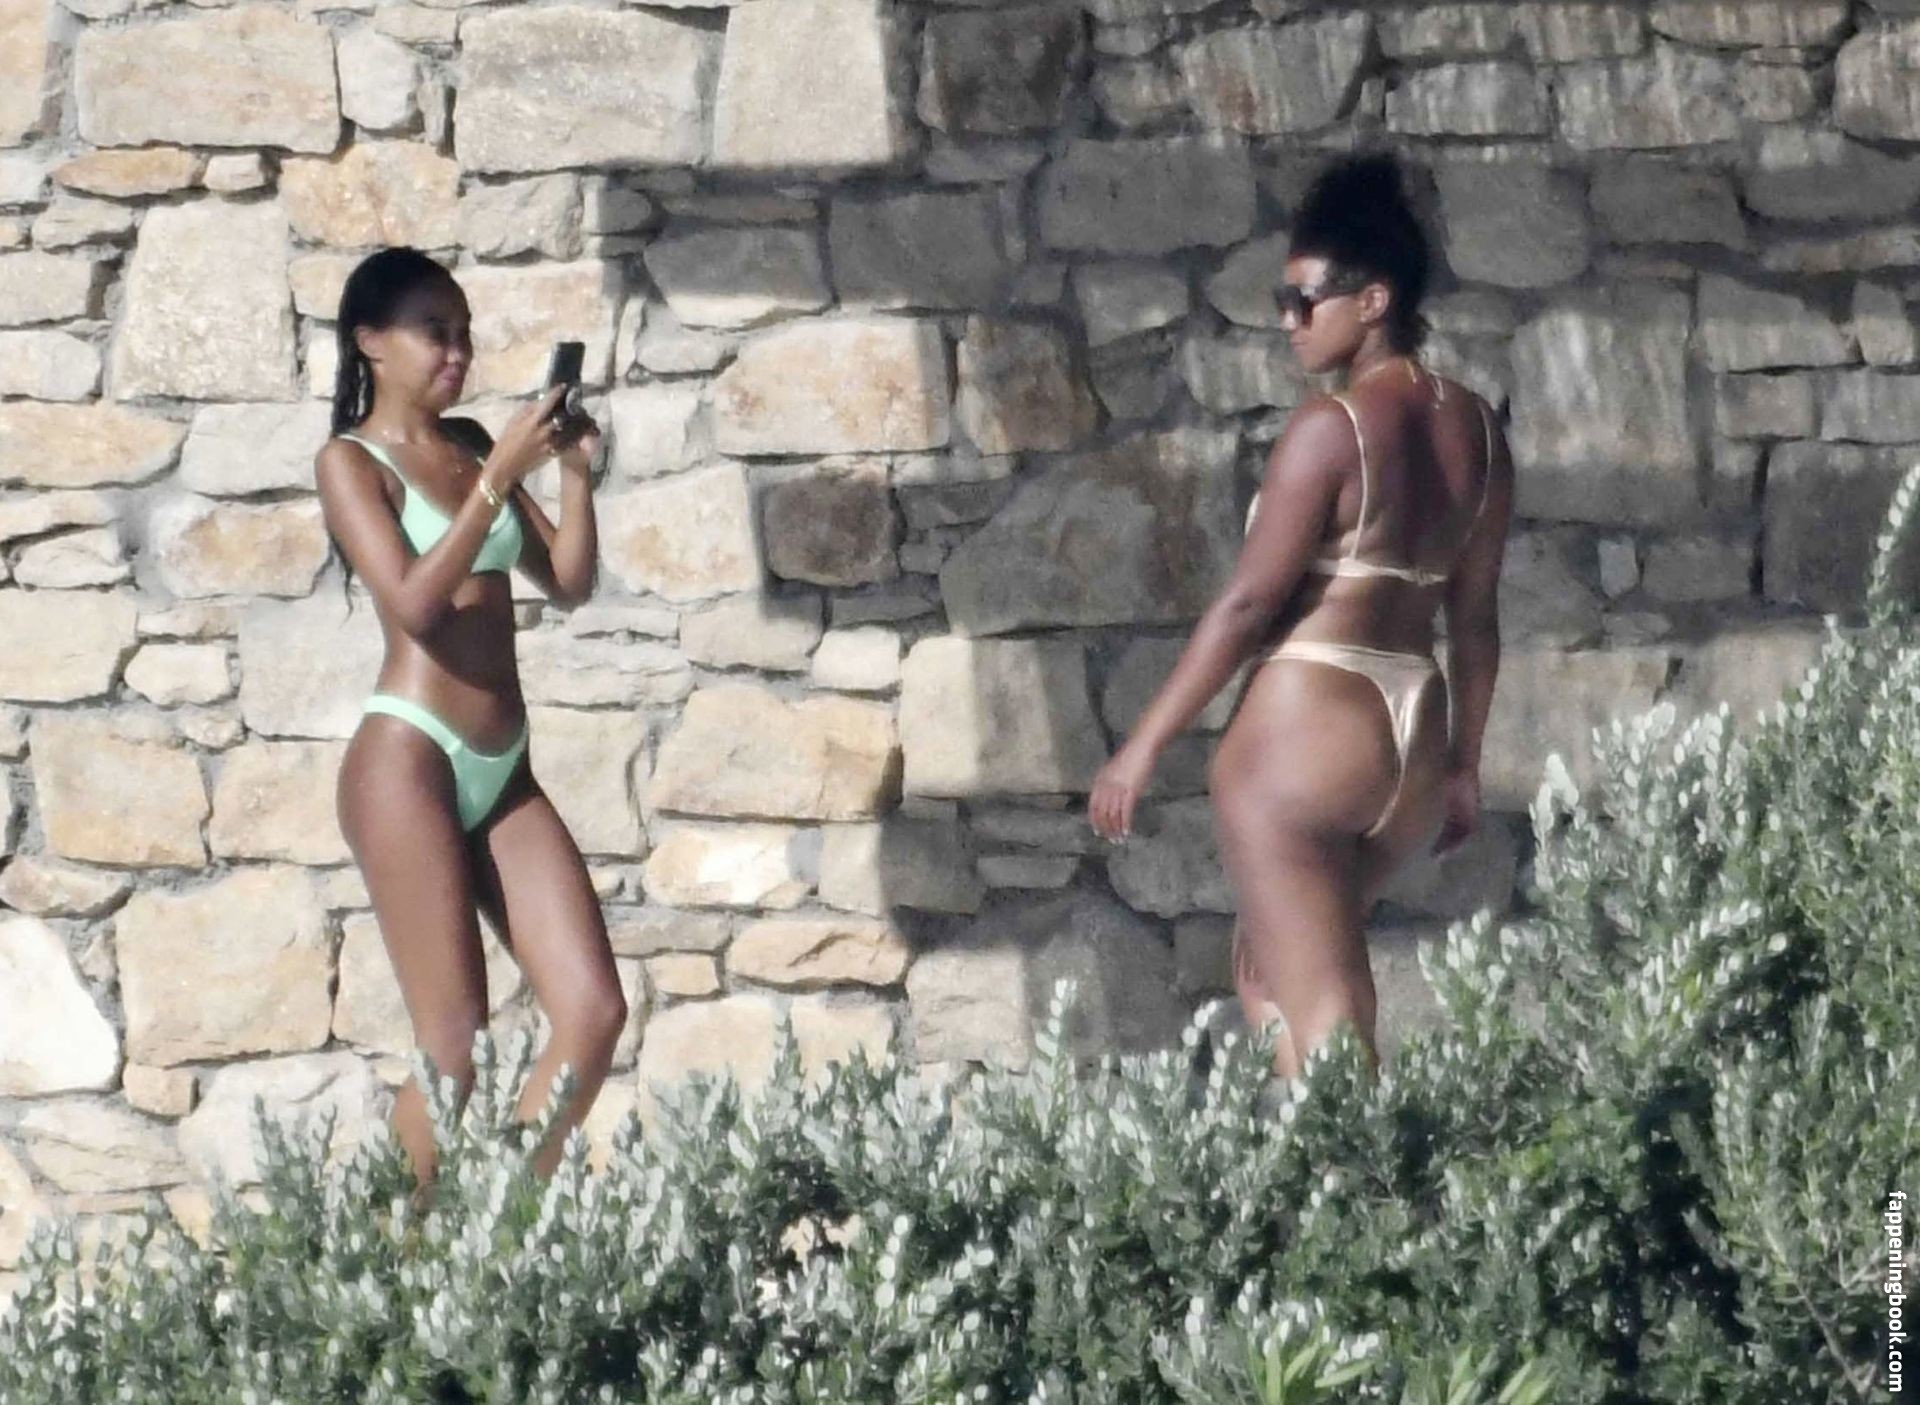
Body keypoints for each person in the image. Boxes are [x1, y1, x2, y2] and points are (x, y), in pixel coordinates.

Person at [1088, 156, 1513, 1079]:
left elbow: (1248, 604)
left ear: (1374, 301)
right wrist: (1464, 766)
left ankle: (1373, 1172)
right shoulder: (1480, 430)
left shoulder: (1333, 427)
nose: (1286, 320)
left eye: (1303, 301)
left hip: (1307, 735)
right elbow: (1476, 621)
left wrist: (1142, 747)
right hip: (1413, 740)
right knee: (1272, 973)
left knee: (1326, 1018)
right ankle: (1322, 1167)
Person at [315, 247, 624, 1180]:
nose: (458, 351)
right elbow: (414, 601)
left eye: (464, 333)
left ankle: (499, 1232)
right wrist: (498, 480)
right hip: (409, 759)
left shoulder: (473, 445)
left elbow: (566, 580)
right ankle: (391, 1255)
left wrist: (572, 475)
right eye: (434, 332)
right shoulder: (351, 463)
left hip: (503, 766)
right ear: (371, 342)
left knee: (593, 1011)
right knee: (454, 1045)